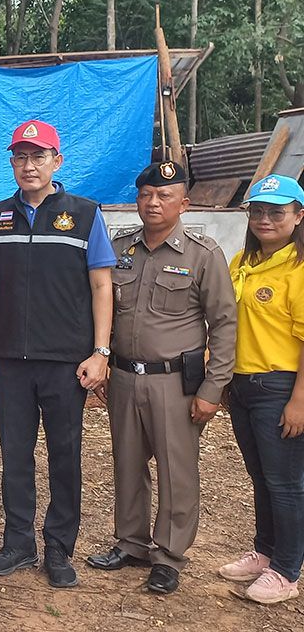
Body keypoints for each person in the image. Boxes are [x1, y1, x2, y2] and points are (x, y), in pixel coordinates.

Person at [0, 120, 115, 588]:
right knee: (15, 454)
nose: (29, 165)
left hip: (65, 361)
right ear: (12, 163)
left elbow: (101, 284)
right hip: (12, 360)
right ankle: (18, 543)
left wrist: (100, 351)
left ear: (57, 160)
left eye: (38, 156)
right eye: (20, 157)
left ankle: (58, 546)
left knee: (64, 454)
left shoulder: (85, 213)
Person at [86, 161, 236, 594]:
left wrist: (213, 388)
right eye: (146, 194)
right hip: (124, 378)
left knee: (177, 470)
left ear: (184, 203)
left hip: (175, 382)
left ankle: (168, 555)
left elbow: (224, 324)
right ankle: (130, 542)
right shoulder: (120, 248)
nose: (153, 202)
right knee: (128, 465)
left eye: (164, 196)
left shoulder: (202, 254)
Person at [217, 174, 304, 604]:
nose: (265, 218)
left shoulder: (299, 268)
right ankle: (266, 551)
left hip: (281, 386)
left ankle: (287, 570)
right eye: (258, 210)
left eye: (277, 211)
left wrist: (298, 401)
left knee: (285, 482)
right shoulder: (241, 263)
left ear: (298, 216)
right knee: (261, 476)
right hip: (243, 384)